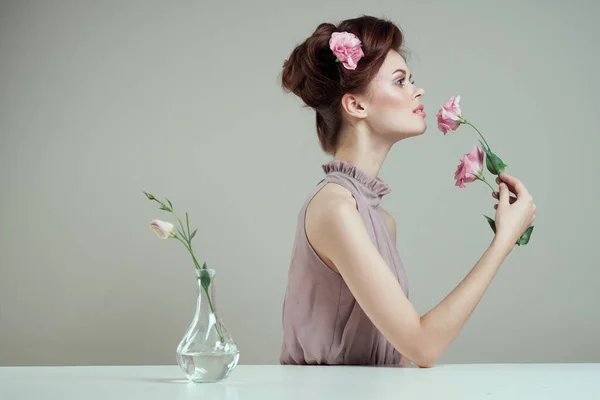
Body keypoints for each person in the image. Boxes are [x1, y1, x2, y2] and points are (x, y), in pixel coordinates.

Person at [278, 15, 536, 368]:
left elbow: (395, 353)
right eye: (400, 81)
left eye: (410, 80)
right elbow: (423, 347)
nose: (418, 90)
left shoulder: (381, 221)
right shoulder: (334, 209)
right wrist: (503, 240)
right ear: (356, 106)